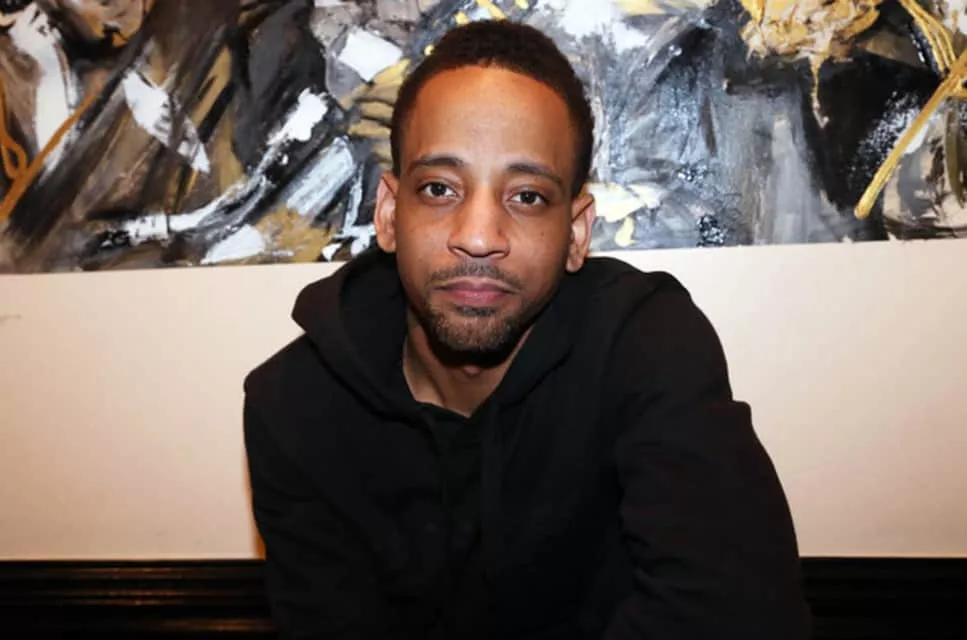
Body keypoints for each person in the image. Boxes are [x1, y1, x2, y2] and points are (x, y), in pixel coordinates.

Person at [243, 19, 811, 640]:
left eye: (528, 197)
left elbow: (740, 615)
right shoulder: (294, 406)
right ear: (387, 214)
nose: (479, 237)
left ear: (577, 233)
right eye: (439, 188)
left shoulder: (645, 345)